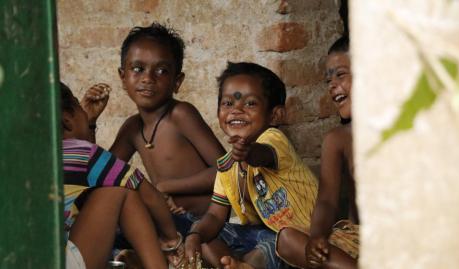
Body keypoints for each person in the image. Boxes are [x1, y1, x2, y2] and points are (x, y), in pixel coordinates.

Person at [184, 62, 319, 269]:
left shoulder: (274, 139)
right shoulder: (227, 165)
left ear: (275, 115)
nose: (236, 110)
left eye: (250, 104)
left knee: (274, 245)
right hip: (254, 235)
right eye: (227, 103)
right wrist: (195, 235)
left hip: (296, 235)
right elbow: (214, 215)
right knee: (207, 239)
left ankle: (245, 264)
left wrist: (248, 152)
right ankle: (233, 265)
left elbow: (262, 154)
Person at [110, 22, 226, 236]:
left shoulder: (181, 115)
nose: (148, 78)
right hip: (171, 221)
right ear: (123, 77)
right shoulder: (132, 128)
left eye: (162, 71)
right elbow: (102, 174)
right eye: (138, 69)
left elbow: (227, 171)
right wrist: (90, 121)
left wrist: (165, 187)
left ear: (177, 81)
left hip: (207, 224)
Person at [61, 82, 184, 269]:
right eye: (79, 105)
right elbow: (147, 193)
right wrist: (171, 239)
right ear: (68, 119)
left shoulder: (32, 160)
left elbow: (89, 178)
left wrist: (90, 123)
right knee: (122, 191)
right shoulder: (84, 152)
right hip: (63, 261)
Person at [305, 36, 359, 269]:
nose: (331, 85)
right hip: (357, 240)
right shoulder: (338, 140)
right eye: (328, 79)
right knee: (288, 239)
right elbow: (327, 201)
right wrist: (316, 235)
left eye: (340, 75)